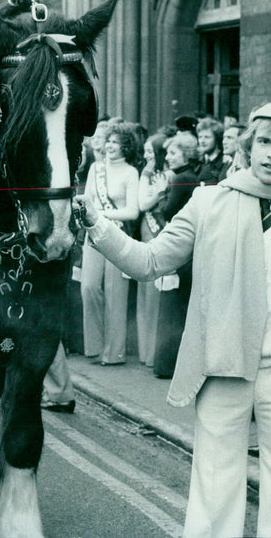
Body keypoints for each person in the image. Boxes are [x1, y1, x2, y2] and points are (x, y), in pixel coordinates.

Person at [73, 100, 271, 538]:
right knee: (214, 490)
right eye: (264, 141)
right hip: (223, 366)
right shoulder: (208, 202)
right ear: (248, 145)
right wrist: (97, 225)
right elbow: (150, 260)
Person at [80, 122, 140, 365]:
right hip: (93, 234)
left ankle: (113, 353)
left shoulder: (130, 173)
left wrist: (104, 216)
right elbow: (87, 200)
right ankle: (94, 347)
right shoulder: (96, 168)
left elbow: (132, 211)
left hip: (117, 235)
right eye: (109, 141)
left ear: (126, 147)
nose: (111, 146)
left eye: (116, 142)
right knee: (89, 287)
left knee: (116, 294)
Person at [152, 132, 199, 379]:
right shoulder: (189, 177)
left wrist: (162, 192)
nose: (168, 157)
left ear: (186, 154)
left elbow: (166, 212)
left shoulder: (182, 179)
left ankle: (168, 365)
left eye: (173, 153)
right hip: (188, 253)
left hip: (180, 253)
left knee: (173, 310)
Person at [136, 133, 171, 367]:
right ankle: (144, 352)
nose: (147, 155)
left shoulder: (168, 175)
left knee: (154, 297)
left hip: (158, 232)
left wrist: (146, 174)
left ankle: (153, 354)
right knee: (144, 295)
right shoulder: (151, 174)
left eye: (151, 151)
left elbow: (144, 204)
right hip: (145, 231)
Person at [195, 117, 224, 185]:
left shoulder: (222, 162)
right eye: (200, 137)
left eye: (207, 137)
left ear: (216, 139)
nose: (202, 141)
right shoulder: (199, 162)